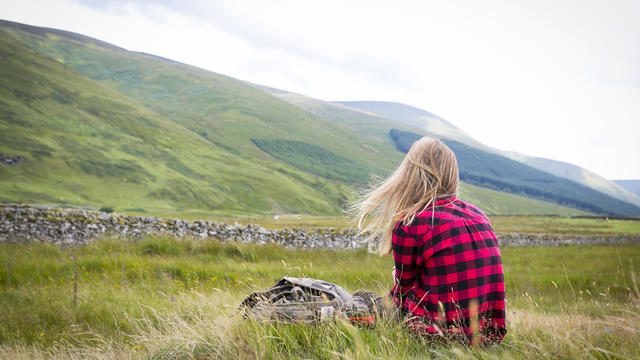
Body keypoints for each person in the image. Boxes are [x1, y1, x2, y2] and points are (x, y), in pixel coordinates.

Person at [352, 137, 506, 345]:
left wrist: (397, 280)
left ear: (409, 175)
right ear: (452, 175)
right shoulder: (478, 214)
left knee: (362, 297)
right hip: (488, 335)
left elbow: (401, 295)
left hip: (434, 335)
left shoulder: (411, 222)